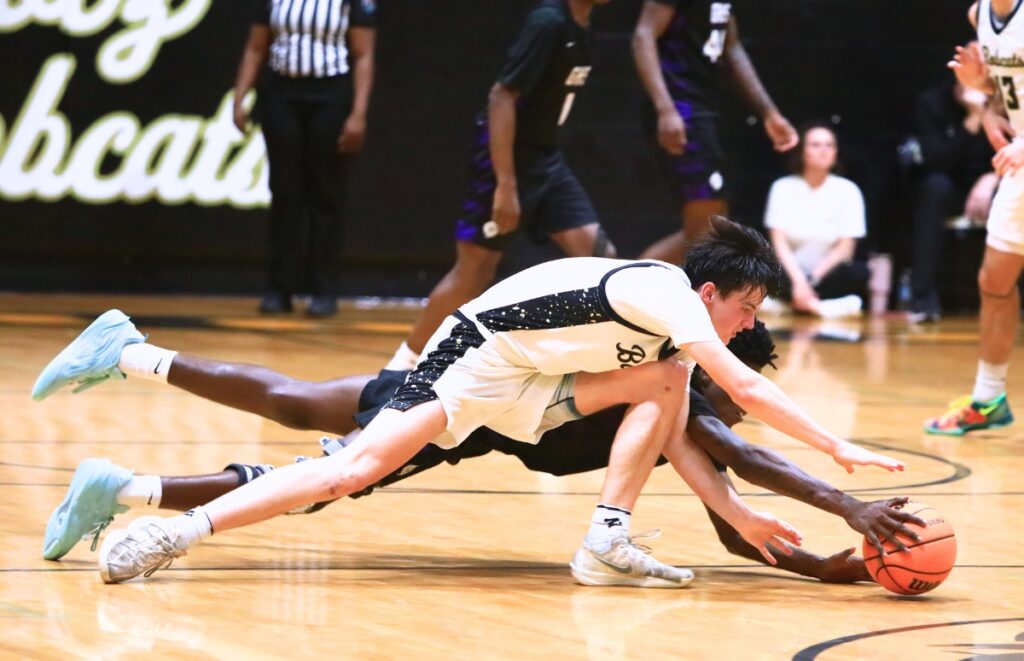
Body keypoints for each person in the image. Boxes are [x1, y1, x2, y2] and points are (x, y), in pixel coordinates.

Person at [32, 217, 903, 586]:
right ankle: (166, 518)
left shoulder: (676, 360)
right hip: (476, 361)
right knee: (346, 461)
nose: (751, 320)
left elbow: (693, 443)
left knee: (667, 384)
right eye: (748, 307)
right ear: (714, 296)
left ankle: (605, 539)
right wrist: (841, 459)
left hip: (534, 395)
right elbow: (740, 404)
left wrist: (755, 525)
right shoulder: (673, 297)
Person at [40, 322, 924, 584]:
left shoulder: (671, 413)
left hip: (483, 408)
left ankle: (129, 412)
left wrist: (822, 570)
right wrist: (847, 504)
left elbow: (735, 525)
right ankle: (130, 476)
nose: (723, 408)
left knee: (297, 415)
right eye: (728, 388)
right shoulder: (683, 386)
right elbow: (755, 465)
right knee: (316, 477)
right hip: (475, 406)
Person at [386, 0, 616, 371]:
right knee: (474, 270)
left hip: (547, 160)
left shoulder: (583, 25)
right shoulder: (548, 22)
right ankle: (403, 365)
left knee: (599, 258)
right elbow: (501, 96)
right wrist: (505, 185)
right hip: (506, 160)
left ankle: (590, 364)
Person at [233, 0, 376, 317]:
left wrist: (359, 113)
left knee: (326, 194)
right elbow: (256, 47)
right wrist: (240, 95)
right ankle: (279, 289)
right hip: (281, 94)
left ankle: (323, 291)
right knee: (285, 193)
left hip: (331, 94)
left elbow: (363, 54)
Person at [631, 0, 798, 263]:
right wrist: (666, 109)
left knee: (712, 224)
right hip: (681, 108)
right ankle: (628, 291)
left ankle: (630, 287)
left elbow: (731, 46)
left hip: (704, 108)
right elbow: (643, 36)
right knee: (708, 217)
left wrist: (769, 113)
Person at [925, 0, 1022, 435]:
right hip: (1018, 161)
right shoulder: (979, 14)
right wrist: (986, 101)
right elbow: (1007, 87)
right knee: (994, 281)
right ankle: (988, 399)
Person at [910, 77, 997, 323]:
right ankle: (923, 301)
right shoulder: (932, 102)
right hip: (949, 186)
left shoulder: (1005, 101)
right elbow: (934, 161)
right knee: (933, 188)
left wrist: (992, 178)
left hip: (994, 184)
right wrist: (974, 118)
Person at [763, 123, 868, 319]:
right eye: (816, 145)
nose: (823, 151)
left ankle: (790, 305)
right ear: (802, 151)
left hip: (825, 274)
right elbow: (778, 242)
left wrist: (812, 279)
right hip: (789, 272)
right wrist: (799, 281)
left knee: (859, 272)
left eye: (829, 145)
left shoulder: (848, 190)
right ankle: (817, 307)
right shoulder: (782, 187)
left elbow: (846, 247)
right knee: (760, 270)